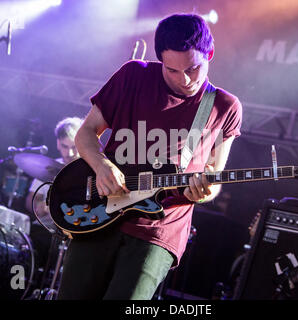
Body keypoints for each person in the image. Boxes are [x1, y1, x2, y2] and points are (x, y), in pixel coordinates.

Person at [57, 13, 243, 300]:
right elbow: (86, 134)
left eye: (194, 68)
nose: (185, 80)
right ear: (160, 61)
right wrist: (101, 164)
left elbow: (214, 177)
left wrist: (203, 192)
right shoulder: (133, 76)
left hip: (158, 231)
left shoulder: (224, 106)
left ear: (211, 53)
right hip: (98, 213)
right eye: (172, 71)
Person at [25, 117, 83, 278]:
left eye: (74, 147)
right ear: (58, 143)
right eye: (65, 146)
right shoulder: (49, 167)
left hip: (73, 236)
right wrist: (38, 206)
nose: (69, 153)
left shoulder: (90, 172)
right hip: (43, 231)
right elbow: (31, 199)